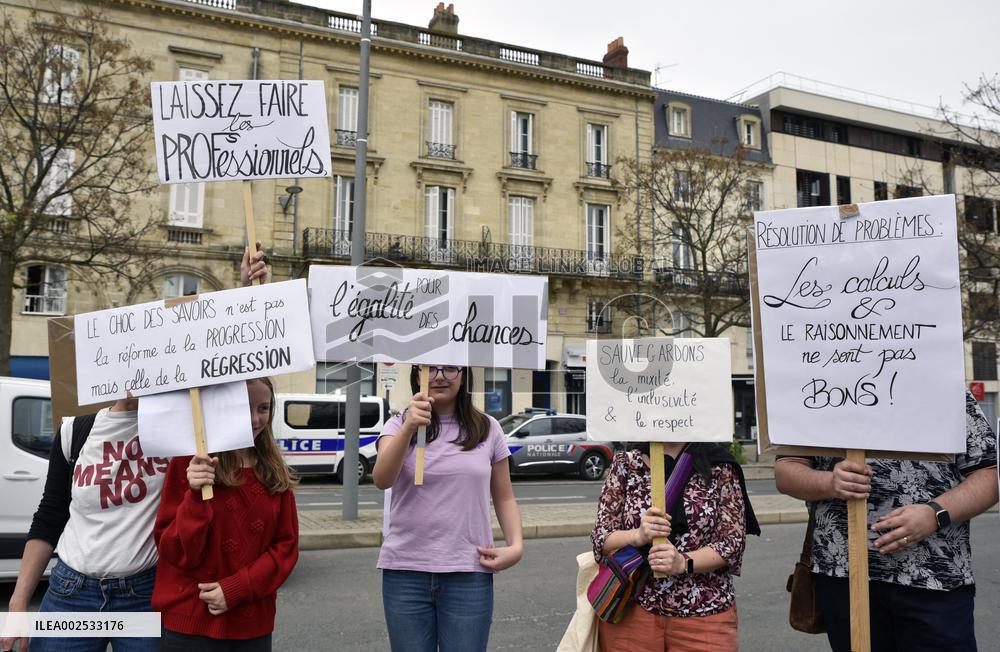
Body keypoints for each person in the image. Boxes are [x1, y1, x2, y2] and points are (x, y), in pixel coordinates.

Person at [1, 245, 267, 652]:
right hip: (72, 594)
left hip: (143, 593)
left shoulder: (184, 425)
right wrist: (19, 604)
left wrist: (247, 289)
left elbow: (228, 361)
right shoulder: (77, 430)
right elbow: (50, 516)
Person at [773, 391, 999, 652]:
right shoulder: (823, 387)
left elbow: (989, 474)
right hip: (843, 577)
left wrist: (934, 514)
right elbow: (786, 470)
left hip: (935, 576)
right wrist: (830, 482)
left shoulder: (944, 386)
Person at [372, 365, 524, 652]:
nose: (440, 376)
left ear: (464, 374)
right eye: (431, 368)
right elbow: (382, 479)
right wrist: (408, 428)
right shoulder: (397, 424)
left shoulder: (487, 428)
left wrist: (515, 546)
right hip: (406, 572)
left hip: (468, 573)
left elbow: (504, 496)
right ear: (417, 375)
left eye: (451, 368)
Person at [152, 377, 298, 651]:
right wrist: (195, 497)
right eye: (244, 407)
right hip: (189, 624)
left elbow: (285, 548)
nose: (255, 419)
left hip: (251, 625)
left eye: (263, 408)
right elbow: (174, 551)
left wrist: (237, 589)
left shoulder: (274, 469)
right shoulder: (190, 463)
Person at [591, 442, 760, 652]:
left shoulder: (720, 465)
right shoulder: (626, 462)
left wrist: (683, 562)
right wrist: (638, 535)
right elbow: (601, 539)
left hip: (704, 613)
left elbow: (731, 543)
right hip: (632, 609)